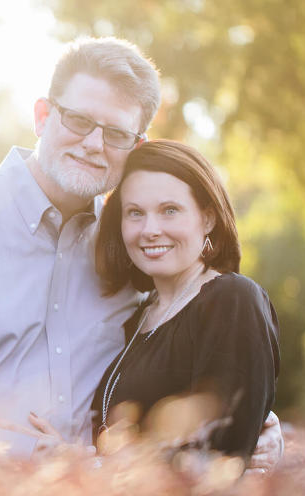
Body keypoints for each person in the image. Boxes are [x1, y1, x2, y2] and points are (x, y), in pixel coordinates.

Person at [0, 37, 282, 467]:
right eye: (78, 120)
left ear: (136, 147)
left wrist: (249, 424)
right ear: (42, 116)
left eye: (115, 132)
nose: (94, 144)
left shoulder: (131, 253)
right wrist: (14, 451)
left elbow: (175, 362)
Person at [89, 140, 279, 461]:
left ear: (207, 219)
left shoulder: (233, 302)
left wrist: (95, 469)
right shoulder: (139, 317)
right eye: (135, 213)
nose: (150, 230)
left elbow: (217, 452)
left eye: (170, 210)